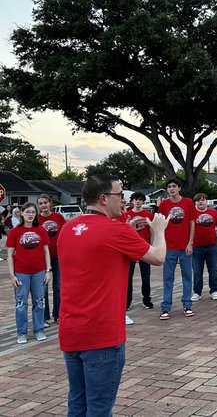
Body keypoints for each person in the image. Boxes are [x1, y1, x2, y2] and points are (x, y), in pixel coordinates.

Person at [57, 174, 168, 417]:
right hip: (102, 334)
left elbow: (97, 251)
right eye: (120, 194)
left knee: (77, 402)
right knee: (99, 407)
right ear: (103, 198)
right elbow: (158, 257)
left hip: (71, 330)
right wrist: (159, 230)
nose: (125, 201)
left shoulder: (67, 228)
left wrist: (126, 231)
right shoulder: (115, 231)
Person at [6, 202, 51, 344]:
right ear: (21, 214)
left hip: (39, 272)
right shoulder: (14, 231)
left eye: (33, 212)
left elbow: (46, 251)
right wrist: (12, 275)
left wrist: (48, 271)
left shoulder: (41, 230)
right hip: (21, 273)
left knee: (39, 302)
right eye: (27, 212)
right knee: (21, 304)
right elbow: (10, 254)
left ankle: (39, 330)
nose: (30, 215)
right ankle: (21, 333)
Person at [158, 178, 195, 320]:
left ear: (179, 188)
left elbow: (192, 223)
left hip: (184, 246)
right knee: (168, 278)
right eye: (169, 187)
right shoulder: (164, 205)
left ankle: (187, 305)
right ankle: (166, 307)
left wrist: (190, 242)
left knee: (187, 277)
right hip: (169, 247)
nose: (171, 189)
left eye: (174, 186)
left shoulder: (188, 202)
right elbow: (160, 226)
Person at [37, 194, 66, 327]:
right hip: (43, 257)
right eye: (40, 203)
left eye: (45, 202)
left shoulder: (58, 217)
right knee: (43, 287)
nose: (43, 205)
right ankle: (44, 317)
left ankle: (58, 315)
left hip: (58, 255)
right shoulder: (36, 219)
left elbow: (65, 233)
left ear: (50, 203)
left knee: (58, 286)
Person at [125, 191, 155, 310]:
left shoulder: (148, 215)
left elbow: (152, 232)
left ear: (143, 201)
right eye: (135, 199)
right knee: (128, 276)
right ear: (132, 201)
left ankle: (146, 299)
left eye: (140, 200)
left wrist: (152, 247)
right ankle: (127, 301)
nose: (138, 201)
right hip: (131, 249)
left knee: (146, 276)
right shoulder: (127, 215)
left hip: (144, 248)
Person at [191, 193, 217, 302]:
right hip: (196, 247)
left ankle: (214, 290)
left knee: (213, 270)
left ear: (206, 201)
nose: (200, 202)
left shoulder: (213, 212)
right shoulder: (192, 213)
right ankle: (197, 292)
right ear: (195, 202)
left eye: (203, 200)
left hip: (212, 246)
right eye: (198, 200)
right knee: (197, 271)